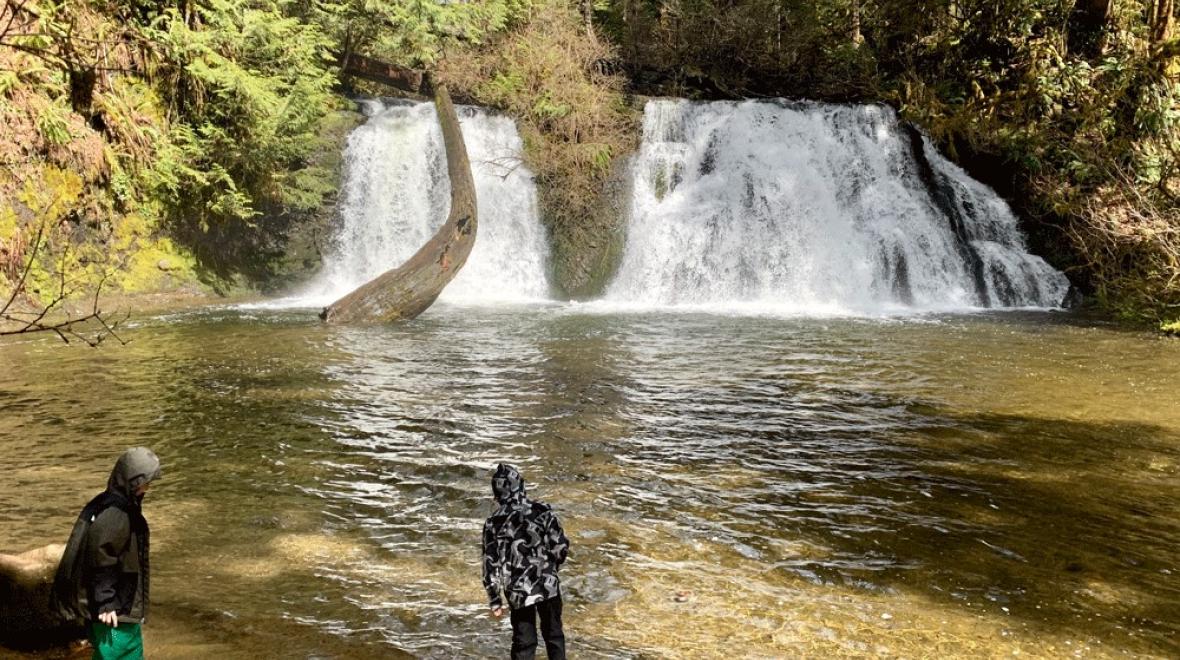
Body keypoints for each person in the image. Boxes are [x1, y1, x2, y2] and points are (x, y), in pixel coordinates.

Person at [51, 447, 162, 660]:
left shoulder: (108, 503)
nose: (147, 487)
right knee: (123, 651)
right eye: (145, 482)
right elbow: (101, 559)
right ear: (132, 482)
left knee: (114, 651)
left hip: (114, 603)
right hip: (115, 609)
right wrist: (105, 602)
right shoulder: (116, 514)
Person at [481, 463, 570, 660]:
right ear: (520, 485)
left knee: (524, 643)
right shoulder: (542, 511)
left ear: (497, 491)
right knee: (554, 636)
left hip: (517, 592)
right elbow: (560, 547)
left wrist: (495, 599)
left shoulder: (493, 523)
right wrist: (552, 567)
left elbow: (490, 563)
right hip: (548, 586)